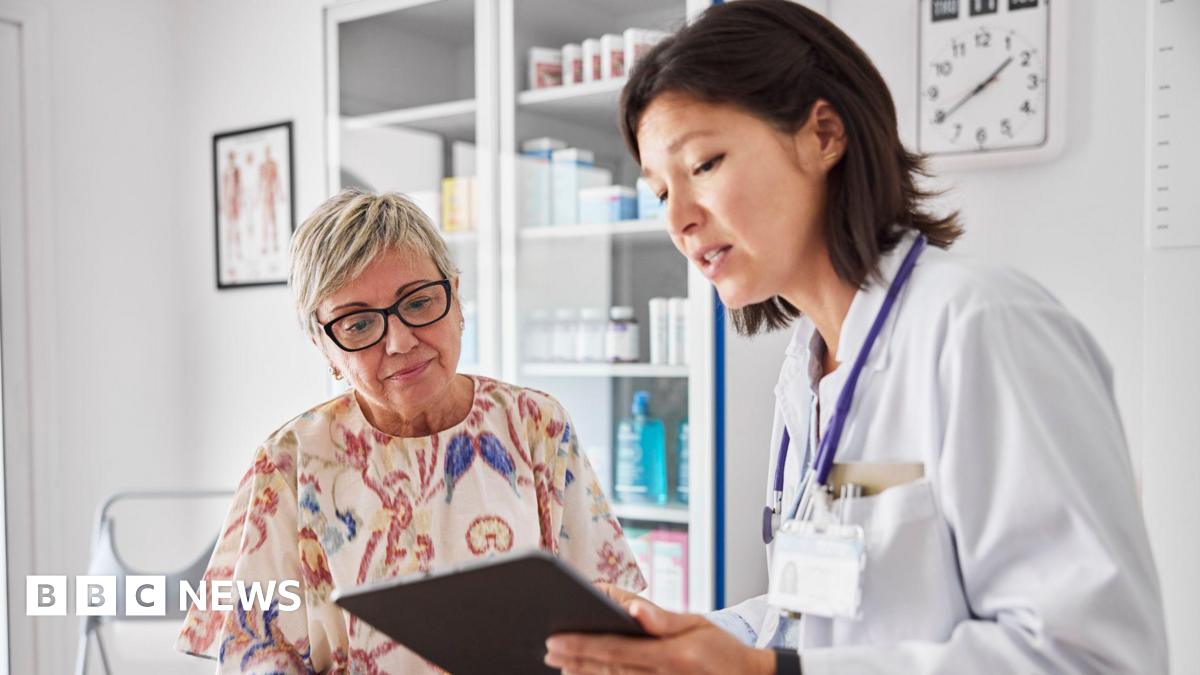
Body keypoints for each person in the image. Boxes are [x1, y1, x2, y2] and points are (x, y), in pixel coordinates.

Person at [544, 2, 1168, 673]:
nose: (682, 220)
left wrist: (766, 672)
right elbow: (822, 615)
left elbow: (1094, 656)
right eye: (660, 191)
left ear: (824, 134)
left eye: (704, 164)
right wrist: (687, 638)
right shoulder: (810, 367)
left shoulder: (980, 325)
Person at [176, 189, 645, 673]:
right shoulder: (291, 461)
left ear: (456, 298)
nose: (400, 342)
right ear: (324, 345)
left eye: (419, 303)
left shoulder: (535, 424)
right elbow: (255, 654)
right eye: (358, 325)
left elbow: (606, 609)